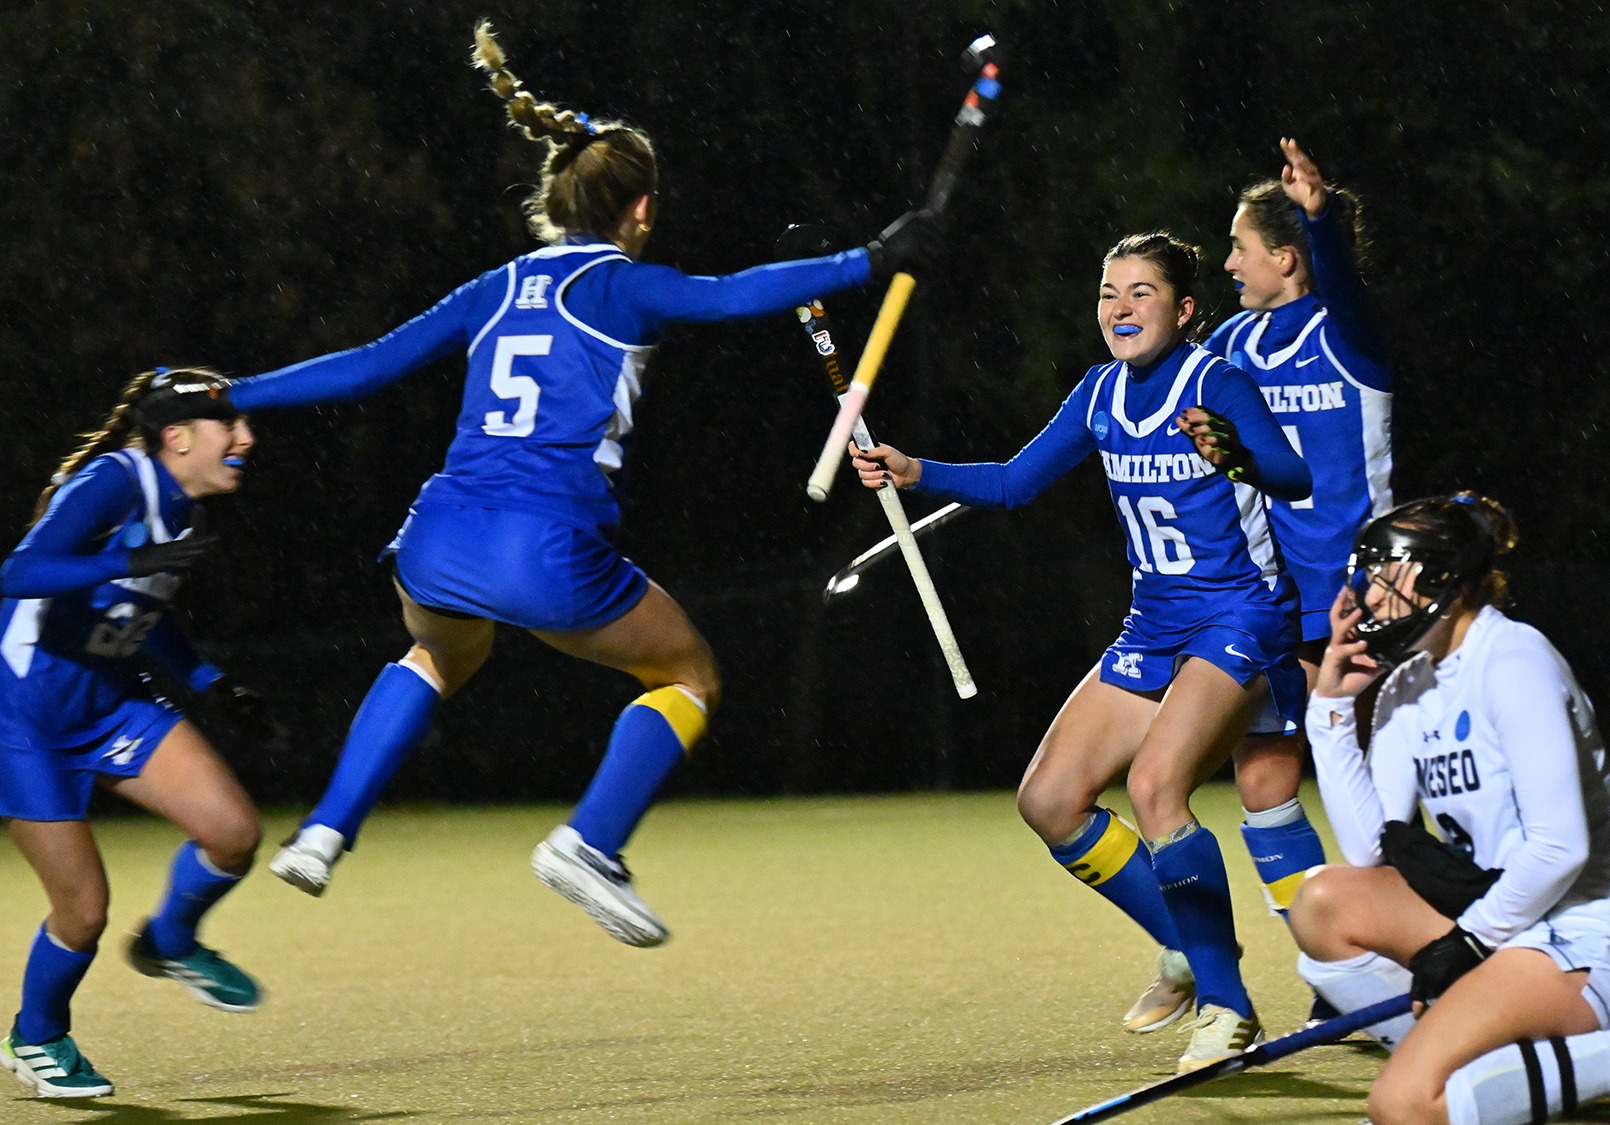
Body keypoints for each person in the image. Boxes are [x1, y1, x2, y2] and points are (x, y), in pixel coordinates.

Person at [154, 22, 935, 947]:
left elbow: (367, 366)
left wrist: (234, 391)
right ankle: (589, 842)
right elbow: (730, 296)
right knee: (688, 672)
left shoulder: (497, 286)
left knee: (437, 656)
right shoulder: (620, 286)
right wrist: (874, 258)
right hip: (543, 548)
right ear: (639, 209)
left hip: (436, 538)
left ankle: (326, 828)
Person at [850, 232, 1311, 1072]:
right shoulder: (1099, 393)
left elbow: (1292, 474)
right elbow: (1014, 482)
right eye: (1109, 292)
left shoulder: (1217, 381)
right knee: (1050, 799)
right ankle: (1186, 941)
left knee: (1154, 785)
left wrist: (1237, 451)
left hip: (1238, 616)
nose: (1121, 308)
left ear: (1184, 308)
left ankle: (1228, 1006)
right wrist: (917, 469)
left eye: (1141, 292)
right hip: (1155, 624)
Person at [1286, 493, 1610, 1125]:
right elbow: (1368, 852)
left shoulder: (1513, 661)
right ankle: (1481, 1077)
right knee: (1324, 903)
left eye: (1387, 575)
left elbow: (1560, 848)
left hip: (1583, 936)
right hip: (1502, 922)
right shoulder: (1409, 683)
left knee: (1400, 1106)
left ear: (1441, 579)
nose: (1370, 594)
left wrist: (1466, 943)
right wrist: (1328, 713)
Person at [1, 368, 274, 1098]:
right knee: (83, 911)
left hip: (111, 700)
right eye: (231, 425)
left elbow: (140, 610)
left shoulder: (185, 507)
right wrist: (126, 558)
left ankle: (171, 940)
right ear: (177, 437)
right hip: (23, 714)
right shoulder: (117, 479)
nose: (247, 437)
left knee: (232, 832)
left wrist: (213, 681)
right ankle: (35, 1035)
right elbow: (17, 571)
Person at [1205, 138, 1394, 947]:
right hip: (1277, 601)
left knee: (1377, 780)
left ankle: (1413, 946)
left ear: (1285, 258)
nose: (1227, 265)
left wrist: (1325, 225)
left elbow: (1344, 289)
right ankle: (1334, 961)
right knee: (1261, 776)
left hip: (1362, 589)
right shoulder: (1234, 347)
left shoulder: (1349, 336)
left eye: (1240, 250)